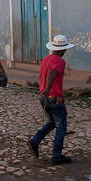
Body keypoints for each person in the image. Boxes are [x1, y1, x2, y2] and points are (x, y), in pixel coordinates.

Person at [27, 34, 75, 165]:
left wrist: (44, 88)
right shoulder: (60, 61)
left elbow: (41, 75)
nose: (65, 51)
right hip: (55, 98)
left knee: (51, 122)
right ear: (61, 49)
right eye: (64, 49)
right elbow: (53, 73)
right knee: (61, 126)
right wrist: (48, 88)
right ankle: (57, 155)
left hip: (43, 97)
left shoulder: (46, 59)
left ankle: (35, 141)